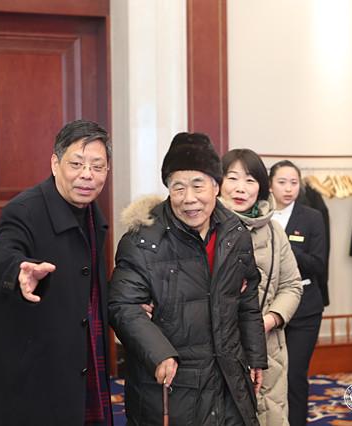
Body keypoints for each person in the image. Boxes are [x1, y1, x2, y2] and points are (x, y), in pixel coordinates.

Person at [0, 120, 113, 426]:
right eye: (76, 164)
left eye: (97, 166)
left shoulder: (94, 216)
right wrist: (19, 272)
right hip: (26, 374)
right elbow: (1, 252)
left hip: (73, 361)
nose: (87, 174)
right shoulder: (24, 209)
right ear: (55, 164)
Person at [109, 133, 268, 426]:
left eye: (198, 185)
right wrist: (159, 353)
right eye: (178, 187)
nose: (189, 198)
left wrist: (256, 356)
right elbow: (123, 306)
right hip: (174, 383)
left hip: (228, 378)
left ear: (216, 186)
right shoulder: (143, 239)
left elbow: (247, 301)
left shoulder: (234, 233)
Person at [220, 149, 303, 426]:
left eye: (250, 180)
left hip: (267, 346)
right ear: (218, 182)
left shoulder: (274, 231)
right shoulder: (204, 227)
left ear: (261, 187)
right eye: (232, 178)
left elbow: (291, 285)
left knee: (268, 414)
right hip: (218, 346)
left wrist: (269, 320)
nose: (240, 188)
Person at [269, 160, 327, 426]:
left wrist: (284, 245)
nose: (288, 188)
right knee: (268, 375)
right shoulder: (260, 214)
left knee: (294, 375)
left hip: (304, 307)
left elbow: (318, 264)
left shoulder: (312, 217)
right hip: (267, 308)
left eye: (294, 183)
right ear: (270, 184)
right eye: (282, 182)